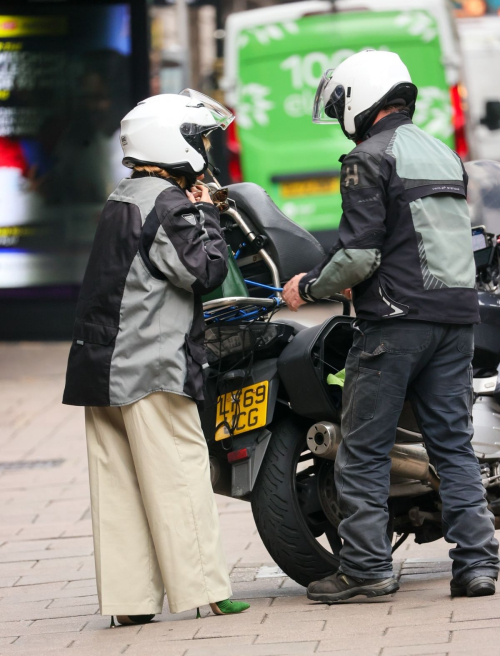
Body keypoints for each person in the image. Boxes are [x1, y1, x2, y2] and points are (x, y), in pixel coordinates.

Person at [283, 50, 499, 603]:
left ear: (360, 97)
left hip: (395, 326)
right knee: (452, 447)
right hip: (456, 322)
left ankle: (366, 570)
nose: (339, 118)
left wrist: (307, 288)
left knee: (362, 450)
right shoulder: (442, 152)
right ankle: (476, 567)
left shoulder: (366, 159)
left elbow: (357, 256)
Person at [62, 90, 250, 625]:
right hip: (150, 367)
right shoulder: (168, 204)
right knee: (180, 475)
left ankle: (129, 604)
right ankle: (206, 590)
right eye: (198, 139)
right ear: (174, 143)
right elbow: (204, 272)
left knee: (117, 486)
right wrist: (208, 213)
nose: (204, 150)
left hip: (99, 366)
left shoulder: (124, 195)